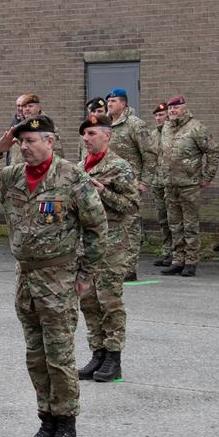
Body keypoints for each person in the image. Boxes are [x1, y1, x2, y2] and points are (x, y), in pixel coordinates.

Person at [0, 115, 107, 437]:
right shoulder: (11, 176)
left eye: (31, 141)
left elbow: (97, 228)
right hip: (25, 279)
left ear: (51, 142)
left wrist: (86, 275)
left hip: (59, 278)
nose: (24, 147)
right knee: (36, 356)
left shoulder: (72, 178)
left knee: (60, 357)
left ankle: (66, 429)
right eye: (20, 141)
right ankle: (46, 422)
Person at [76, 115, 139, 382]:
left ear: (107, 136)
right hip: (84, 244)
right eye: (84, 134)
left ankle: (114, 358)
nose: (86, 139)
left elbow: (132, 206)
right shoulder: (79, 167)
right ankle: (97, 353)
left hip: (112, 243)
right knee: (88, 301)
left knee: (109, 300)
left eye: (91, 133)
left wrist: (103, 191)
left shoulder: (120, 167)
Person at [159, 95, 219, 277]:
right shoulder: (166, 128)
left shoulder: (196, 127)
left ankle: (191, 261)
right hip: (170, 185)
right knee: (175, 224)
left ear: (184, 109)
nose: (172, 111)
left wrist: (207, 176)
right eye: (170, 109)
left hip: (189, 185)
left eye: (176, 108)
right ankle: (178, 260)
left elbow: (213, 151)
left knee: (190, 224)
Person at [105, 88, 157, 282]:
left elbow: (150, 154)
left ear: (124, 103)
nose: (110, 103)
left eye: (114, 100)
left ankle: (129, 268)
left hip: (129, 185)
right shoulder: (105, 125)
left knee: (130, 226)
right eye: (108, 100)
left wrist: (144, 181)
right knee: (109, 226)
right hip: (106, 184)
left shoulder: (135, 125)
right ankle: (112, 264)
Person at [7, 93, 64, 165]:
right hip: (19, 171)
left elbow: (57, 152)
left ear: (38, 108)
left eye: (30, 106)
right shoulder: (18, 126)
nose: (27, 109)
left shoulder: (47, 126)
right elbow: (12, 153)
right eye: (25, 106)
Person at [150, 102, 173, 266]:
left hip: (171, 182)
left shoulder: (173, 133)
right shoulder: (152, 135)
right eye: (156, 116)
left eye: (161, 115)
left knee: (174, 220)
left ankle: (177, 253)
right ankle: (167, 251)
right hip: (157, 182)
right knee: (163, 219)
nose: (158, 118)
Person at [77, 97, 107, 161]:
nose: (96, 114)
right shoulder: (85, 130)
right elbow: (81, 153)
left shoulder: (110, 130)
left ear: (106, 112)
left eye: (100, 111)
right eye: (92, 111)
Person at [6, 95, 26, 165]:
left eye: (22, 106)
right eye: (18, 106)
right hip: (14, 168)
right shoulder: (14, 123)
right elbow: (10, 149)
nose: (20, 108)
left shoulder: (34, 124)